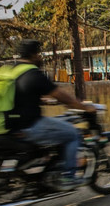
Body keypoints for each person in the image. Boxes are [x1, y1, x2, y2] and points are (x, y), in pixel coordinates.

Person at [10, 40, 96, 189]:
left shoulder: (12, 71)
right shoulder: (33, 74)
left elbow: (22, 96)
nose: (40, 57)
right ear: (34, 54)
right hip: (29, 125)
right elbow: (63, 97)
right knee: (72, 133)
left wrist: (42, 100)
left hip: (10, 124)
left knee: (58, 125)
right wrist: (84, 107)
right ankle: (69, 176)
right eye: (39, 54)